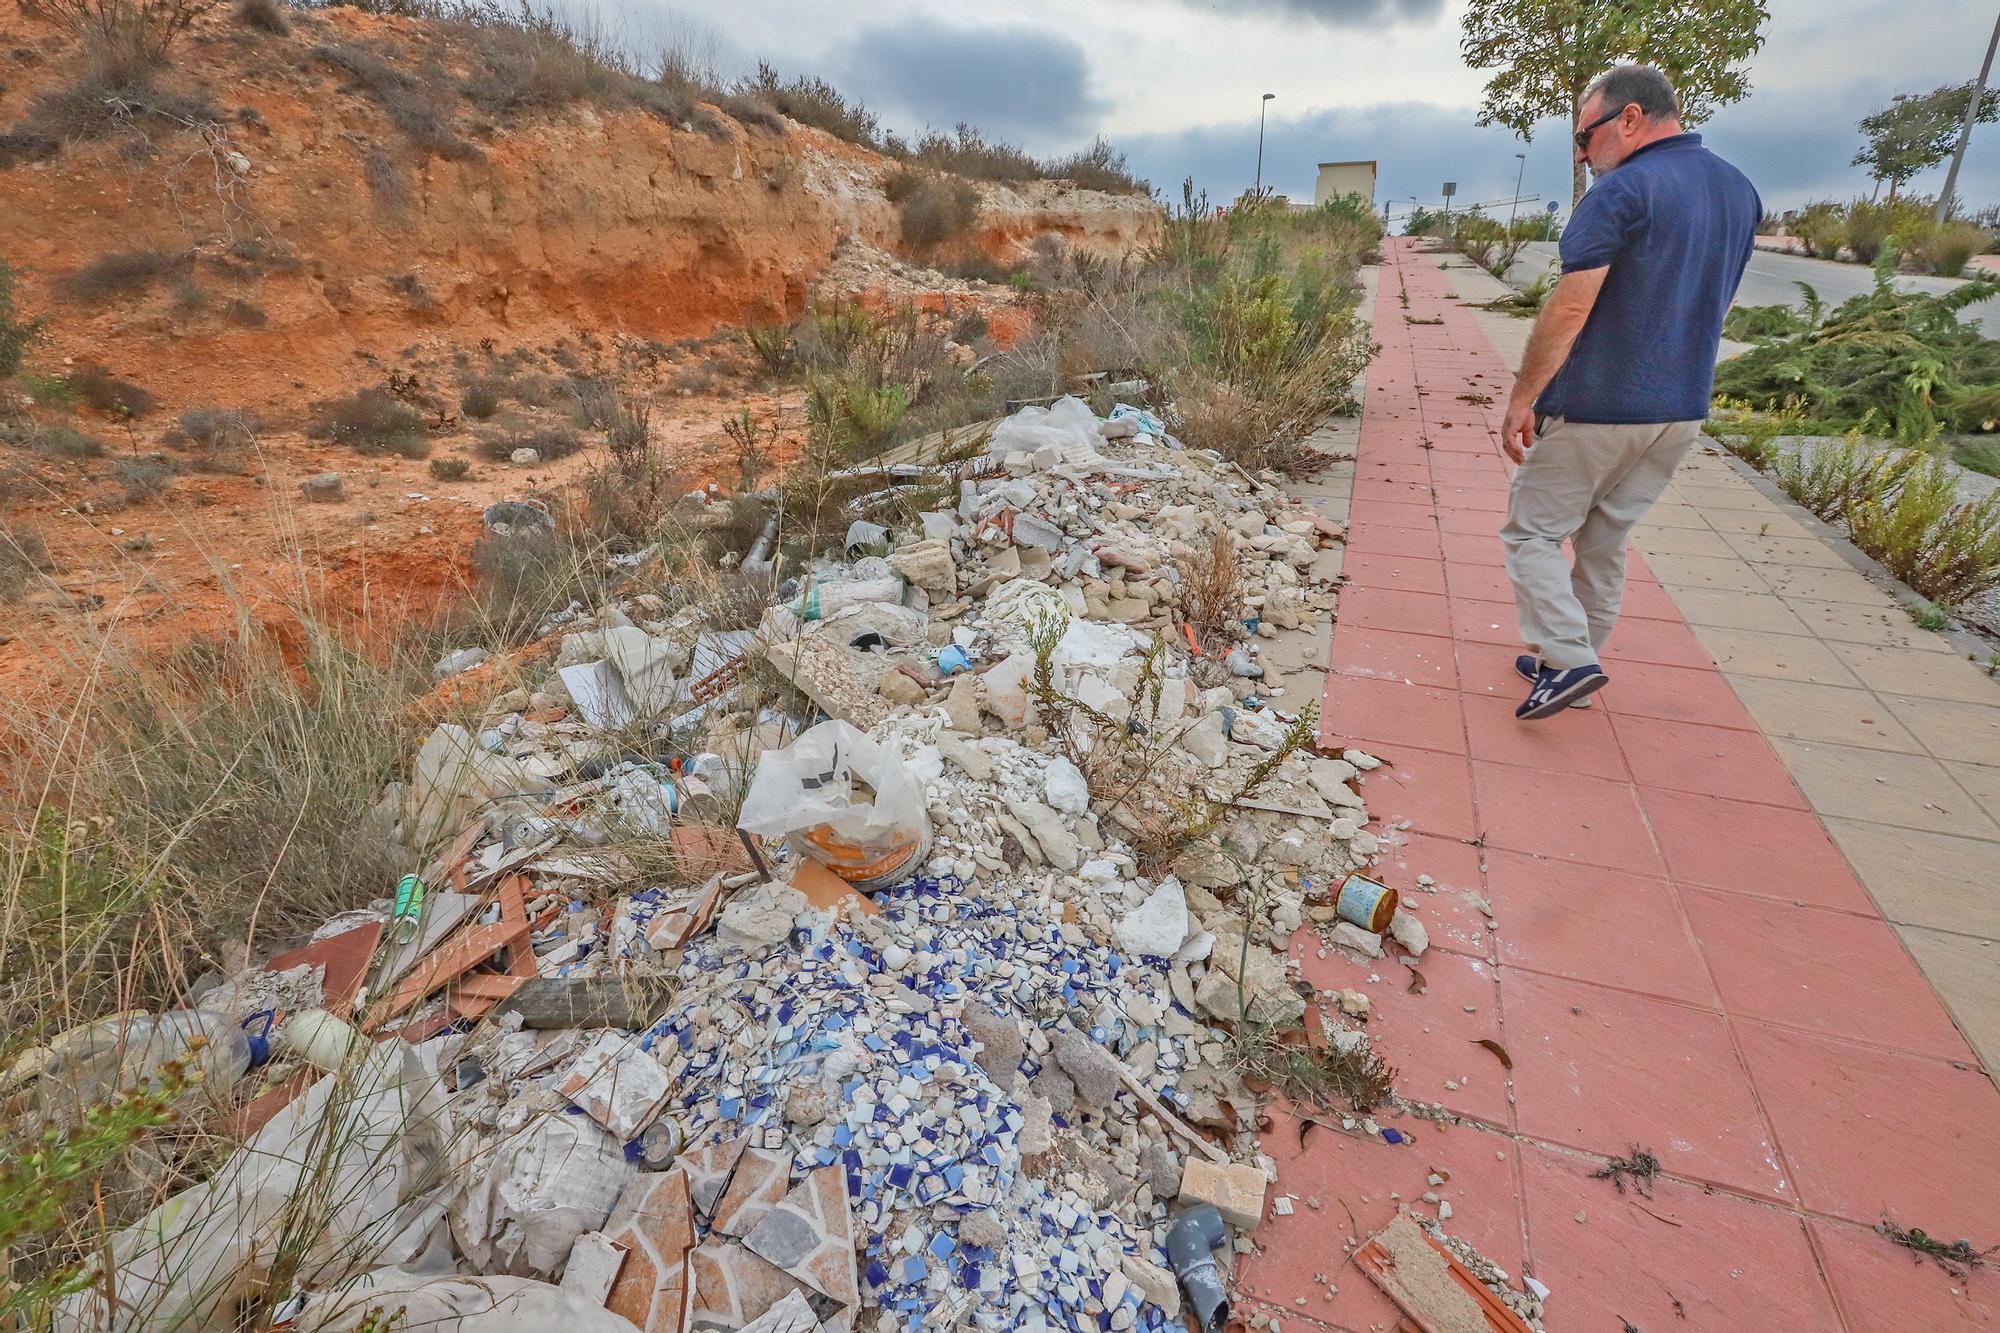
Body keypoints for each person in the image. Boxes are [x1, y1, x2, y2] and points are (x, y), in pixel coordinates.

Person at [1497, 64, 1760, 719]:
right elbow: (1719, 305)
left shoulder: (1621, 192)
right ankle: (1568, 667)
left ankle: (1572, 657)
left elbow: (1570, 307)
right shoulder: (1739, 191)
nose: (1584, 156)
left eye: (1585, 138)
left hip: (1600, 405)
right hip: (1681, 409)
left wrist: (1523, 396)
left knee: (1531, 532)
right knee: (1605, 541)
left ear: (1631, 119)